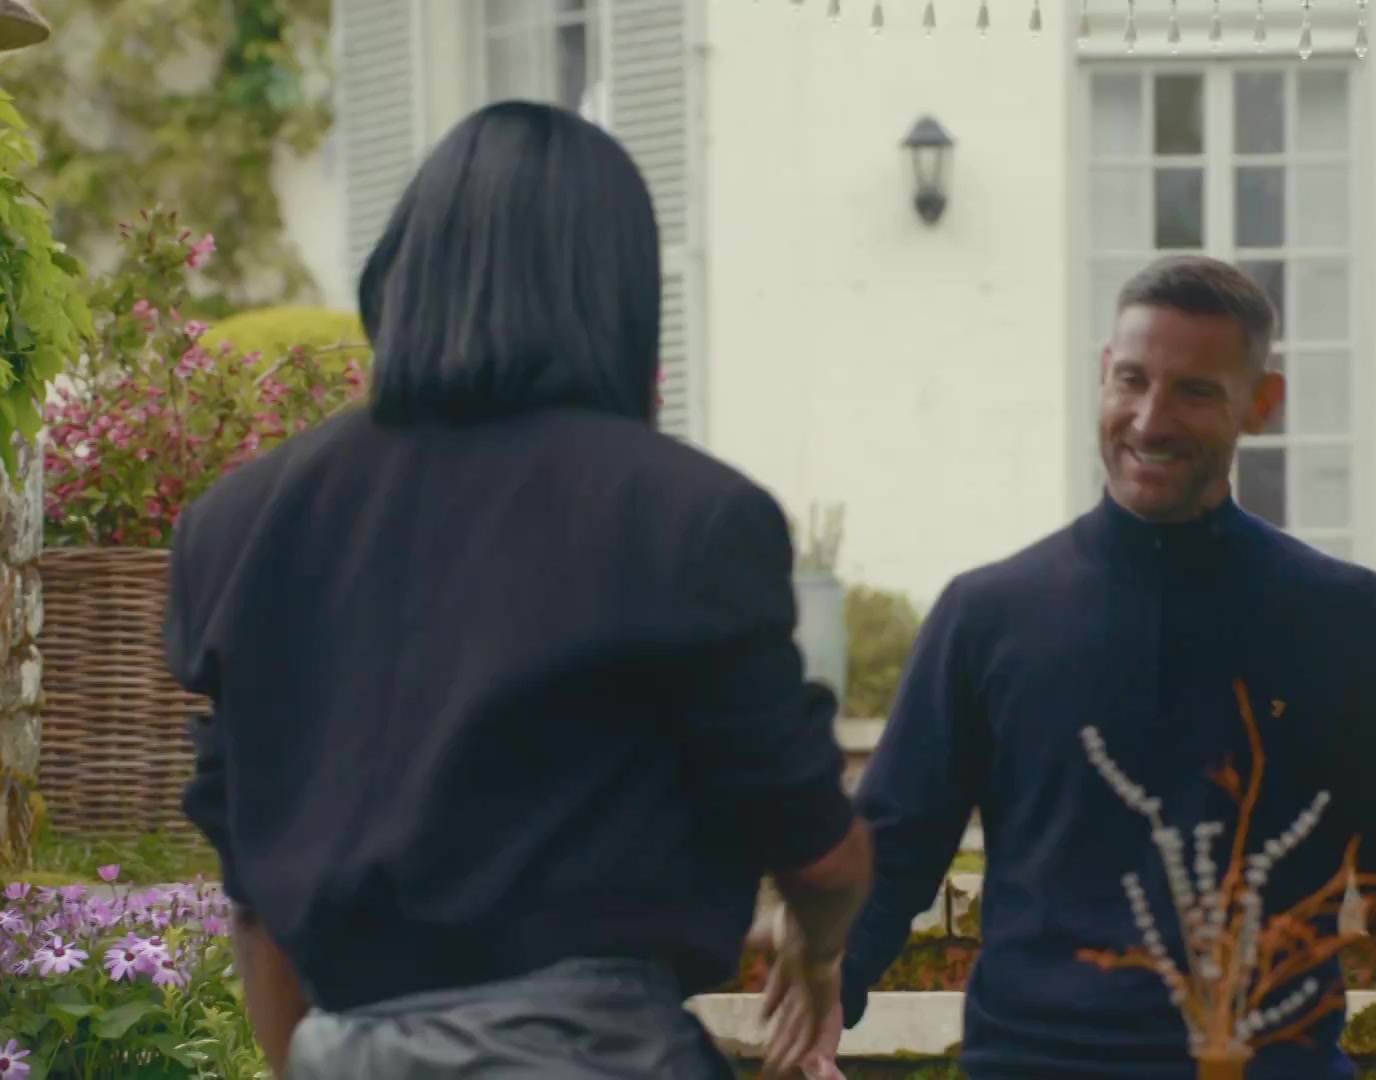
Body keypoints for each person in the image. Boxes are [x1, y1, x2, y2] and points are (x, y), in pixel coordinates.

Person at [165, 100, 869, 1080]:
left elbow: (256, 898)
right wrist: (819, 951)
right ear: (616, 294)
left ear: (403, 272)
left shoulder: (237, 525)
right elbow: (820, 854)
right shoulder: (686, 516)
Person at [776, 256, 1376, 1078]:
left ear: (1262, 404)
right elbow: (896, 842)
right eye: (1132, 380)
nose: (1151, 420)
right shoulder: (988, 615)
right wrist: (829, 992)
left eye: (1195, 391)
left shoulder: (1344, 619)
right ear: (1102, 375)